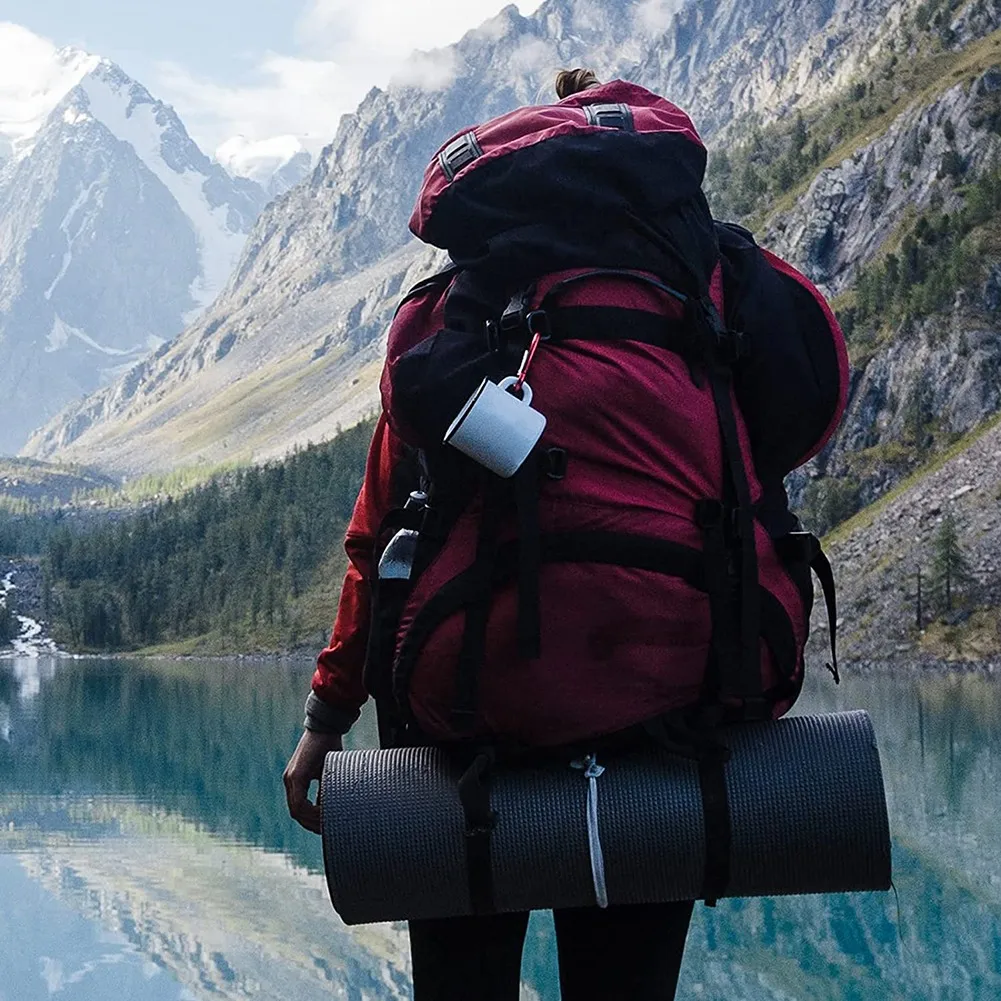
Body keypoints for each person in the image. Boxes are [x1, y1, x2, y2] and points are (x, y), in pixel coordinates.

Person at [285, 66, 846, 1001]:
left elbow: (379, 534)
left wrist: (324, 723)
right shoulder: (709, 293)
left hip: (467, 727)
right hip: (666, 715)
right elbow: (794, 436)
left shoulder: (452, 313)